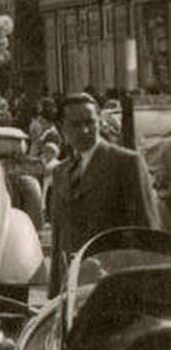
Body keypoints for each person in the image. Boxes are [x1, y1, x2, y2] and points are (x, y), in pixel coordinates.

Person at [48, 91, 160, 291]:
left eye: (90, 122)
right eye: (75, 124)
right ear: (62, 129)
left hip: (114, 283)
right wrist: (55, 290)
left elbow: (146, 230)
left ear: (100, 122)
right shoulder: (60, 172)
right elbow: (59, 237)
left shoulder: (125, 163)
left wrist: (146, 285)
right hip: (73, 286)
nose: (84, 130)